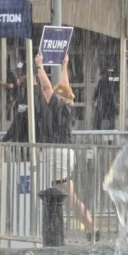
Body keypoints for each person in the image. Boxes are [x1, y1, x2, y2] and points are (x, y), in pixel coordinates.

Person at [37, 53, 99, 241]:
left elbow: (47, 87)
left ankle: (88, 228)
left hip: (56, 153)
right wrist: (64, 65)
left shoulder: (55, 106)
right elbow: (64, 87)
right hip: (65, 152)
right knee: (67, 197)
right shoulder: (69, 107)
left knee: (64, 199)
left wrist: (39, 66)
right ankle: (90, 228)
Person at [0, 60, 51, 157]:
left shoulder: (31, 96)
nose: (17, 78)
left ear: (28, 75)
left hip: (28, 150)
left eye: (20, 75)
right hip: (33, 148)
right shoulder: (36, 95)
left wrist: (3, 142)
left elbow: (18, 122)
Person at [93, 64, 119, 130]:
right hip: (111, 100)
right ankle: (111, 133)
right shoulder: (116, 77)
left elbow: (98, 89)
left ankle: (98, 131)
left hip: (104, 100)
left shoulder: (103, 78)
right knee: (111, 118)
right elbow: (117, 89)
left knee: (100, 117)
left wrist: (94, 98)